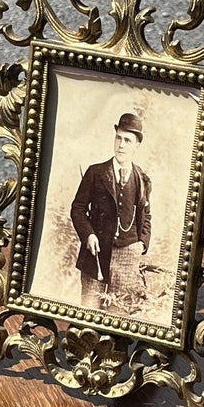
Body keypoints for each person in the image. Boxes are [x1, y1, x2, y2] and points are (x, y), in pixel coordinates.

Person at [70, 112, 151, 311]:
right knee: (88, 311)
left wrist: (141, 244)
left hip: (127, 257)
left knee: (118, 312)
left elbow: (146, 215)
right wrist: (88, 234)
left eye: (127, 140)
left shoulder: (142, 179)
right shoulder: (95, 172)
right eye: (118, 138)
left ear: (136, 146)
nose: (121, 145)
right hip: (95, 255)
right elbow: (78, 209)